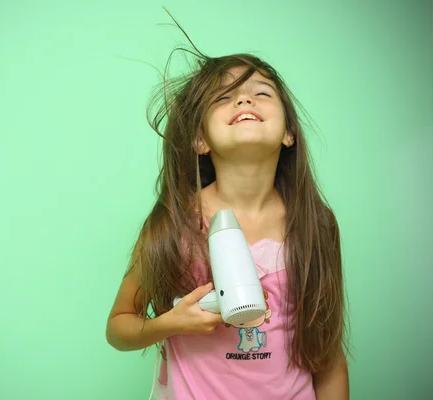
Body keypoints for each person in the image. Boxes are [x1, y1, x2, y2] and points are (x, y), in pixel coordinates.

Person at [105, 22, 349, 400]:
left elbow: (328, 353)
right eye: (224, 98)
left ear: (289, 134)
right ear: (200, 139)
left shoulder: (314, 225)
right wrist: (170, 323)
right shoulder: (175, 224)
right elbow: (118, 328)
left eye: (261, 92)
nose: (244, 101)